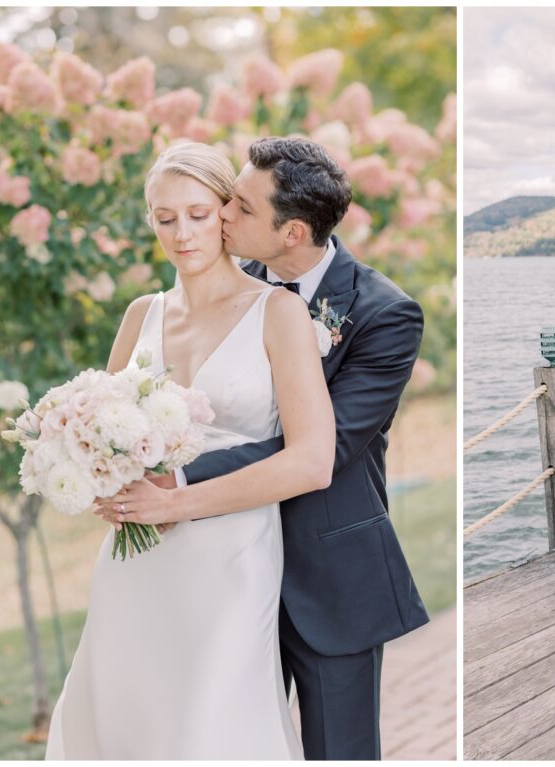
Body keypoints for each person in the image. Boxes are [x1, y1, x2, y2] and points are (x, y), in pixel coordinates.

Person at [96, 137, 429, 759]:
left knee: (339, 752)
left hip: (323, 569)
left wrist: (177, 478)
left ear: (292, 232)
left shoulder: (386, 315)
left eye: (239, 208)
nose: (221, 216)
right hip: (211, 568)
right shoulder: (223, 289)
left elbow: (324, 452)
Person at [46, 142, 334, 758]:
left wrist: (176, 505)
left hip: (233, 558)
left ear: (227, 210)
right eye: (164, 217)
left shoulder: (279, 313)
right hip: (136, 562)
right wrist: (93, 474)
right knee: (131, 718)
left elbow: (312, 461)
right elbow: (101, 432)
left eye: (199, 214)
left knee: (210, 720)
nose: (182, 233)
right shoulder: (140, 315)